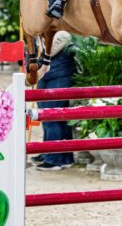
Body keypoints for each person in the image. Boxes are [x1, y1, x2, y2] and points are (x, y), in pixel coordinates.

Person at [34, 31, 76, 171]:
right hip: (46, 76)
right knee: (48, 118)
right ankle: (52, 152)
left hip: (57, 75)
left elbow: (50, 50)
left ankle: (54, 159)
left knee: (53, 118)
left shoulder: (61, 33)